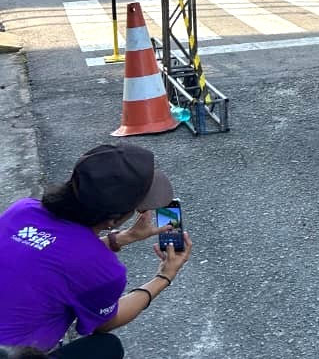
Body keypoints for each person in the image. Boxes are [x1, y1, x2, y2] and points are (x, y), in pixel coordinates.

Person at [0, 143, 192, 357]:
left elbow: (54, 252)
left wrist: (124, 237)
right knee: (106, 347)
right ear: (113, 219)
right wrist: (164, 276)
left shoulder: (22, 209)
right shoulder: (104, 270)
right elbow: (104, 323)